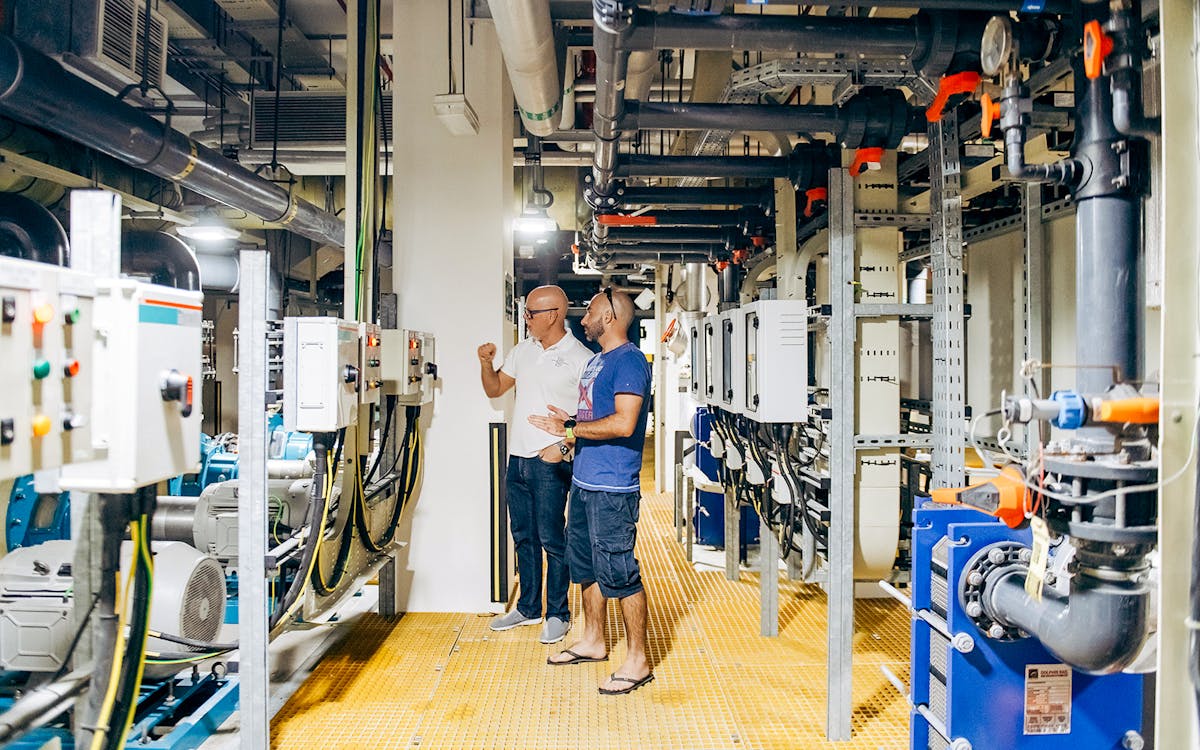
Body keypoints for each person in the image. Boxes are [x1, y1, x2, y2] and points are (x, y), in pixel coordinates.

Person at [530, 287, 654, 695]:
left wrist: (569, 429)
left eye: (591, 313)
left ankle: (638, 660)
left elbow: (623, 423)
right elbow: (595, 418)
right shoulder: (598, 361)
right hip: (584, 482)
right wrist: (570, 428)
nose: (583, 319)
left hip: (612, 488)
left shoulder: (629, 361)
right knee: (584, 565)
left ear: (609, 318)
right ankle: (594, 639)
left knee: (620, 571)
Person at [477, 285, 593, 644]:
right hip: (518, 459)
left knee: (552, 539)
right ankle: (528, 608)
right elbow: (495, 389)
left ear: (554, 315)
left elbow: (592, 415)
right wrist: (485, 363)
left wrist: (563, 444)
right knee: (523, 537)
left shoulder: (581, 358)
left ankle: (558, 613)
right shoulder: (522, 351)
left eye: (531, 313)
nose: (525, 318)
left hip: (550, 461)